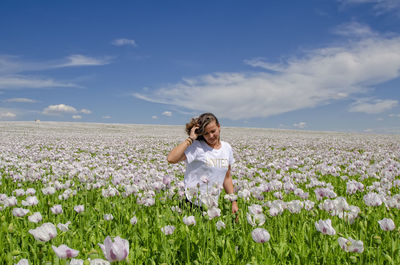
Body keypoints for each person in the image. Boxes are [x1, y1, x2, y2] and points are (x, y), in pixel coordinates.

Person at [167, 113, 238, 214]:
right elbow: (171, 159)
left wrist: (233, 202)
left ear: (219, 127)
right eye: (206, 133)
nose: (211, 136)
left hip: (212, 206)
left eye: (213, 131)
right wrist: (190, 139)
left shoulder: (227, 148)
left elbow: (227, 177)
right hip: (191, 204)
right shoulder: (197, 147)